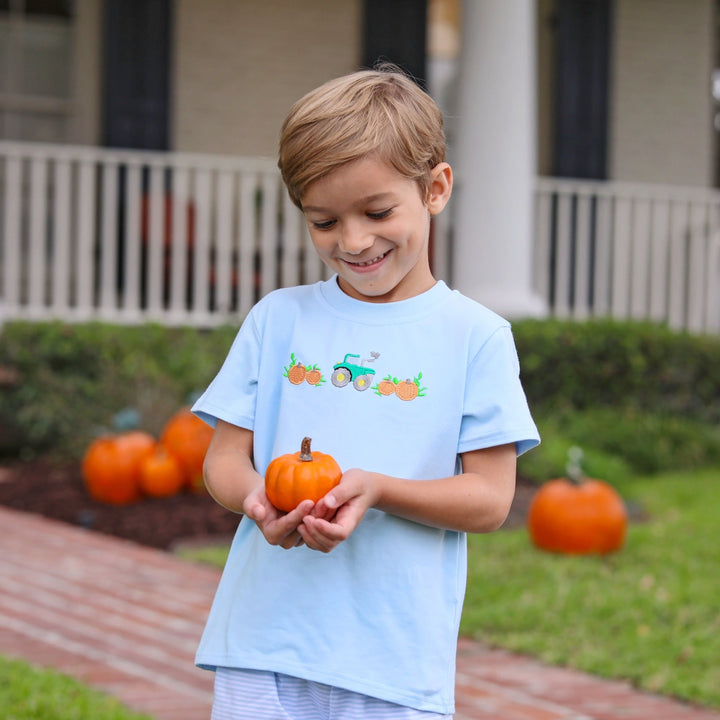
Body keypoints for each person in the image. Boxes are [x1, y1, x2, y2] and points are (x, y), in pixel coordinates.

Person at [192, 65, 540, 720]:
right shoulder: (278, 320)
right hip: (263, 642)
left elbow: (491, 500)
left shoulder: (475, 337)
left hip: (392, 663)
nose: (353, 241)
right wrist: (258, 503)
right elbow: (222, 460)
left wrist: (378, 488)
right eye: (323, 222)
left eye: (377, 212)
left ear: (435, 188)